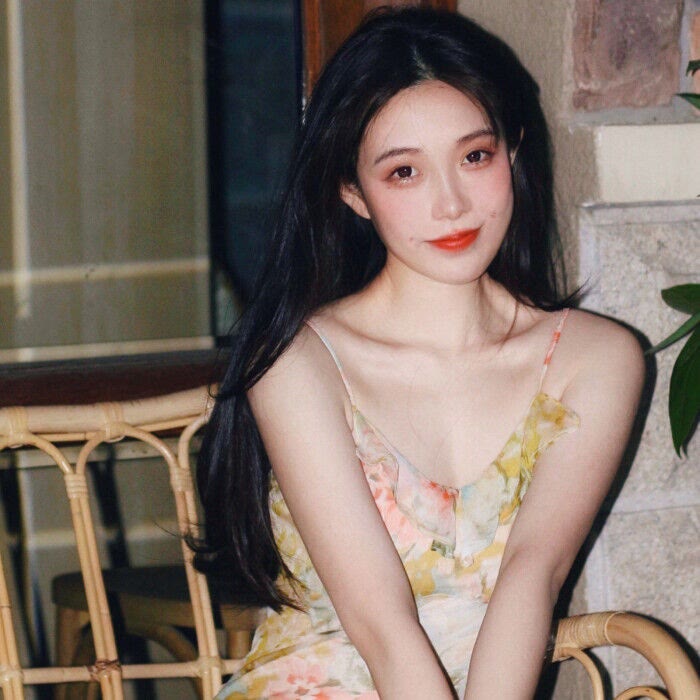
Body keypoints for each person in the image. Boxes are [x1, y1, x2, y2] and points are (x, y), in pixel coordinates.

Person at [194, 7, 644, 699]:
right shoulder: (299, 361)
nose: (451, 204)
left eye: (474, 157)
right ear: (352, 191)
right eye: (404, 172)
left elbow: (534, 575)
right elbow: (380, 625)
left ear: (512, 152)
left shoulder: (597, 358)